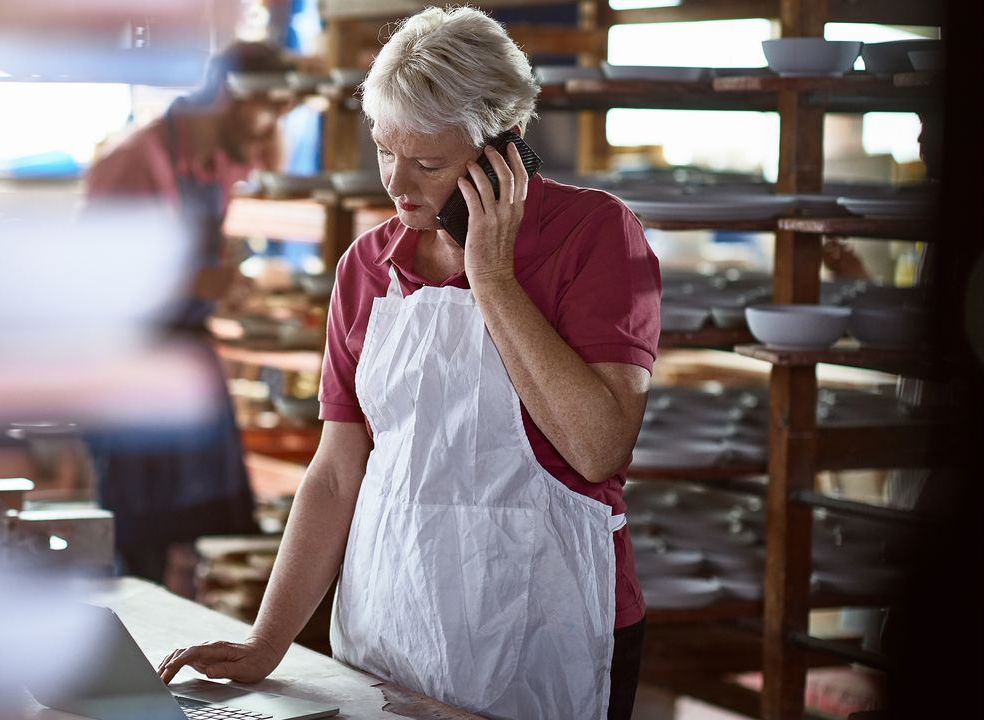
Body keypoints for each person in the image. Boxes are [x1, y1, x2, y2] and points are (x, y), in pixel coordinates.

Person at [156, 9, 661, 720]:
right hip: (392, 623)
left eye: (427, 164)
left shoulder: (595, 235)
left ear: (503, 151)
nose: (397, 184)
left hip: (548, 626)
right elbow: (336, 472)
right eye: (385, 151)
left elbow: (598, 446)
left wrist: (492, 278)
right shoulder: (366, 265)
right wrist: (267, 641)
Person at [82, 41, 296, 588]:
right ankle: (135, 655)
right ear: (226, 94)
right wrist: (198, 282)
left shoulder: (219, 155)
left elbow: (273, 162)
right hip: (129, 363)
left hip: (187, 353)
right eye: (267, 105)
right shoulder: (133, 163)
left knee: (214, 523)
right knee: (140, 539)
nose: (271, 123)